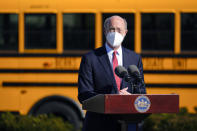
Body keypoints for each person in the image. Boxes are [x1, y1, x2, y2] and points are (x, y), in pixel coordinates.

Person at [78, 15, 146, 131]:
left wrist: (132, 98)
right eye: (111, 29)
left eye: (119, 30)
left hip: (129, 124)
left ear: (125, 32)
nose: (115, 33)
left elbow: (141, 91)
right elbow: (84, 95)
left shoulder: (134, 58)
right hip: (98, 125)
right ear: (105, 32)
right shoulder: (90, 58)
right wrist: (113, 98)